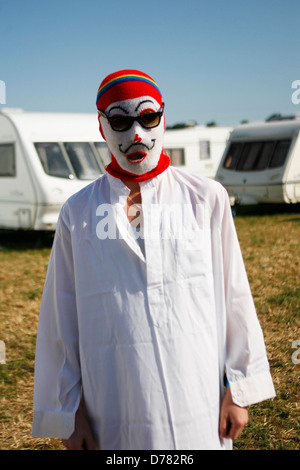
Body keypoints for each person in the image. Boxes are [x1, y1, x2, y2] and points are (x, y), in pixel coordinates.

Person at [32, 69, 276, 450]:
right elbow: (61, 319)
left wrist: (239, 388)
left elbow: (235, 298)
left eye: (148, 118)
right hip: (113, 407)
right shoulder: (77, 213)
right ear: (102, 126)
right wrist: (69, 413)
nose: (136, 135)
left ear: (163, 116)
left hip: (198, 402)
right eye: (120, 120)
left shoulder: (206, 198)